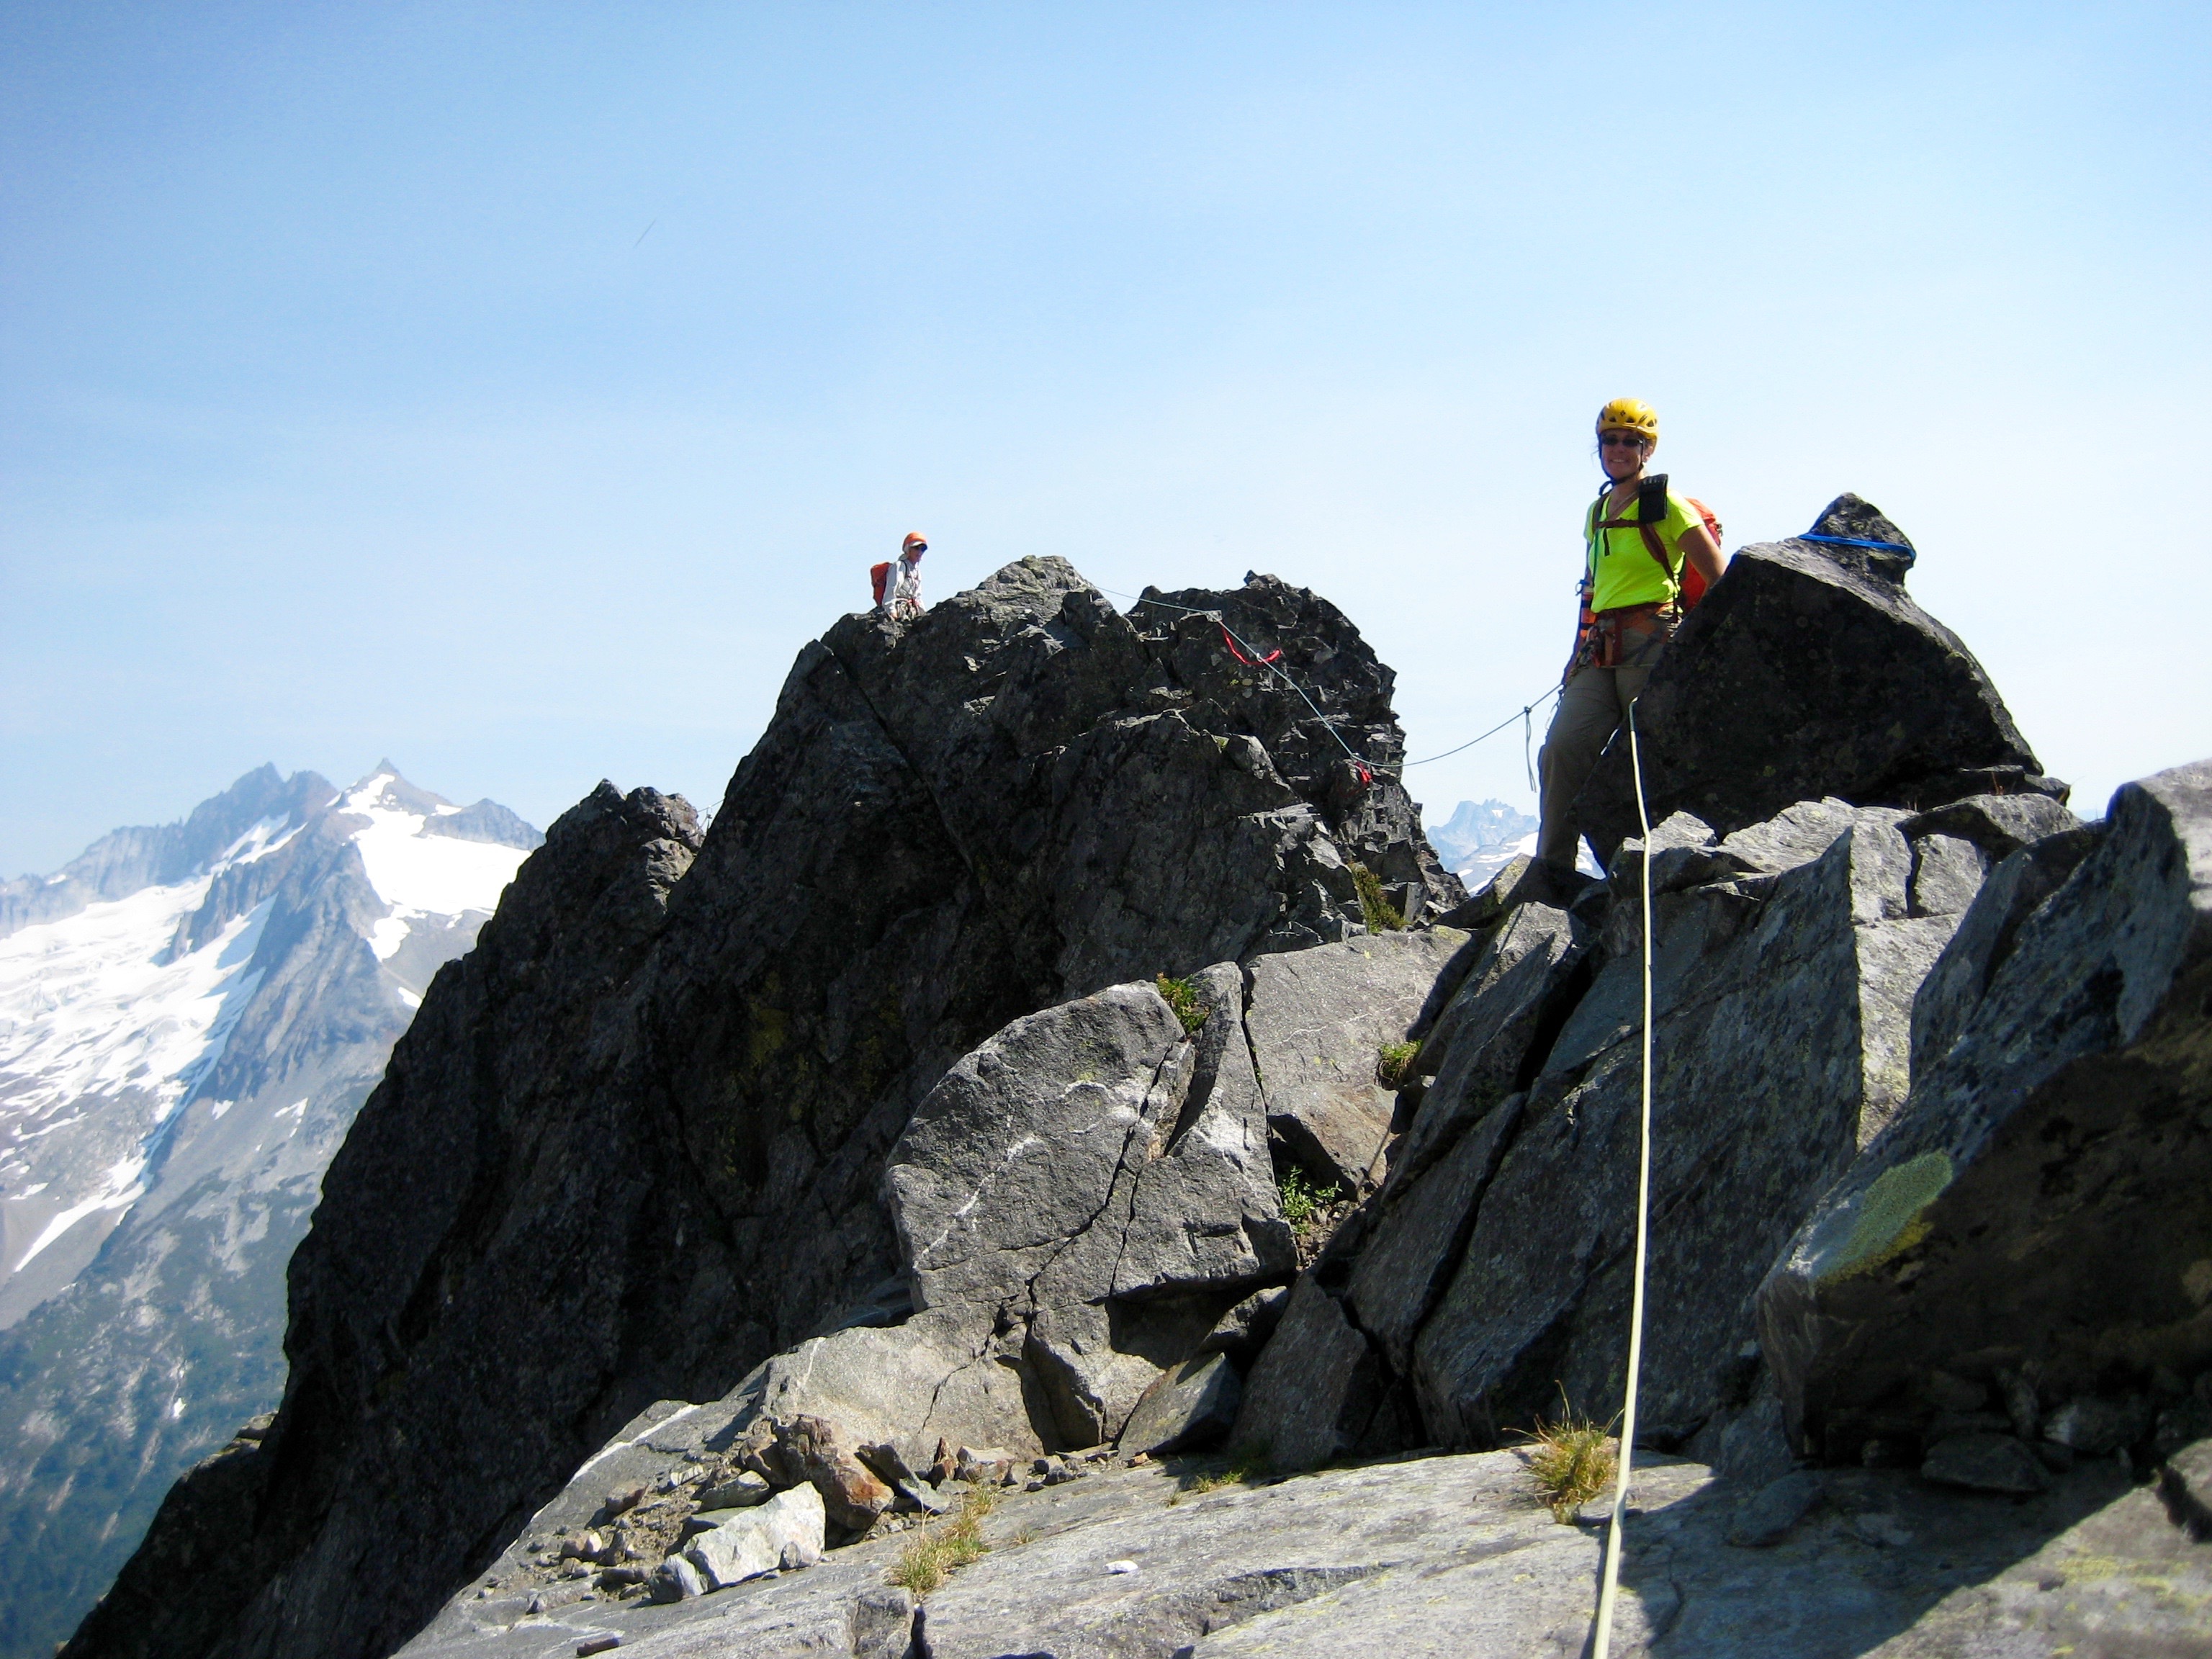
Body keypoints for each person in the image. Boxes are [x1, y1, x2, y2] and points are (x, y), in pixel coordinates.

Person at [1534, 399, 1725, 875]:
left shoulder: (1668, 506)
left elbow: (1720, 577)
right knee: (1563, 747)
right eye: (1610, 440)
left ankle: (1651, 869)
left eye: (1630, 441)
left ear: (1648, 449)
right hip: (1600, 648)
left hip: (1652, 643)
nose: (1618, 449)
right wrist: (1575, 653)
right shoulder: (1597, 511)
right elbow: (1593, 590)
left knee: (1645, 759)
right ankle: (1552, 870)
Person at [877, 531, 926, 621]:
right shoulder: (899, 566)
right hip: (900, 608)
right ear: (908, 549)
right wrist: (892, 611)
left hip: (913, 610)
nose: (919, 552)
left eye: (923, 549)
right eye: (916, 548)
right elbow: (891, 591)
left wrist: (925, 616)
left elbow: (918, 597)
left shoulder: (917, 571)